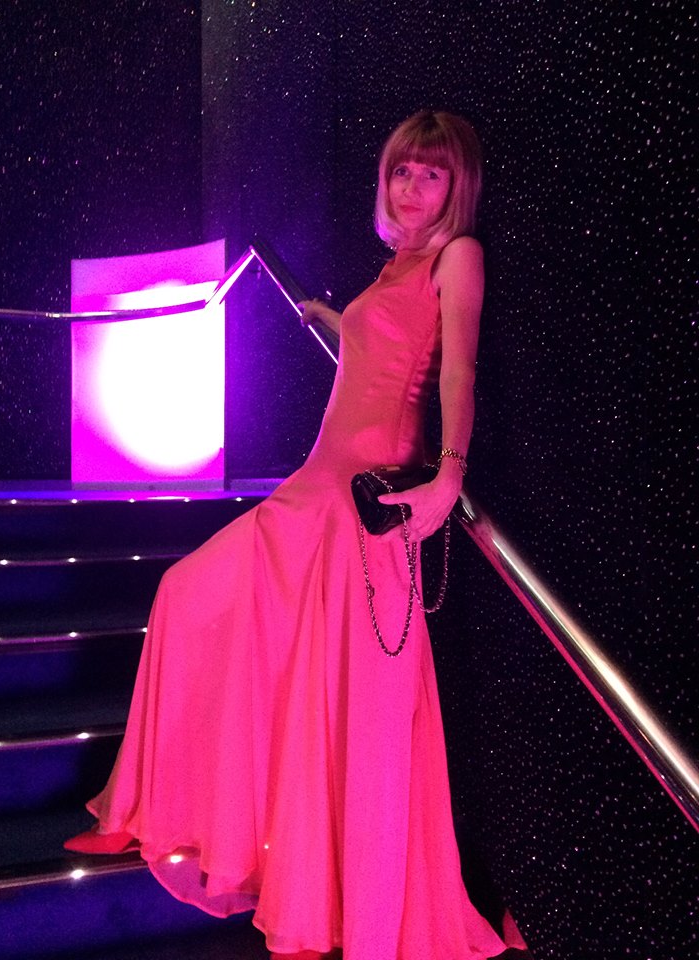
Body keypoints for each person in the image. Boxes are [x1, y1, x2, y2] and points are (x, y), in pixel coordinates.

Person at [66, 110, 524, 960]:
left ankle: (328, 911)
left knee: (348, 712)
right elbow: (390, 349)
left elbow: (454, 367)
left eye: (431, 173)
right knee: (192, 598)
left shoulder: (457, 256)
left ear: (456, 186)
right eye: (401, 170)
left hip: (360, 505)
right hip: (310, 491)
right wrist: (337, 322)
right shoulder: (397, 266)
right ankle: (152, 810)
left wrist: (449, 475)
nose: (412, 186)